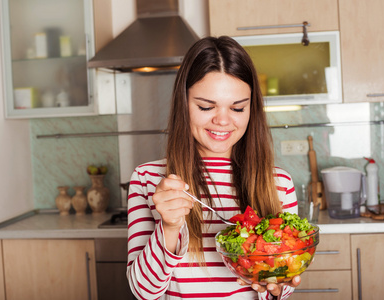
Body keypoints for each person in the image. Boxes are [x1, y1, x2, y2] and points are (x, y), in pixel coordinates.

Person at [127, 36, 300, 300]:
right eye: (206, 106)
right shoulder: (147, 179)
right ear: (183, 104)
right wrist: (170, 227)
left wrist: (276, 285)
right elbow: (143, 292)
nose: (222, 120)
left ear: (251, 108)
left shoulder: (279, 183)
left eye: (238, 107)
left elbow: (281, 285)